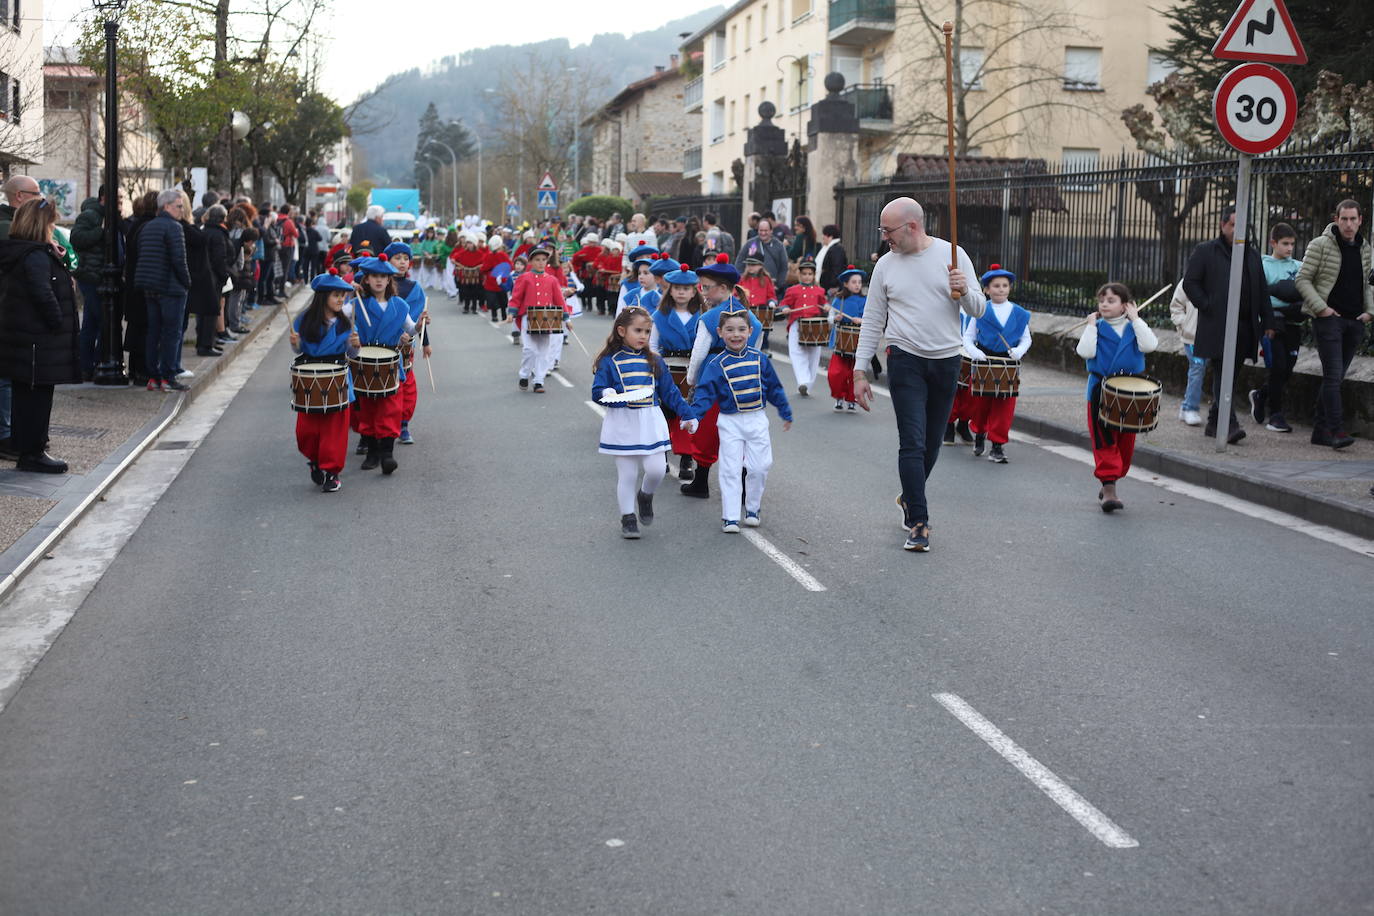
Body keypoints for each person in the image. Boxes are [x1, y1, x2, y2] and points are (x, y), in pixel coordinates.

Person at [852, 197, 985, 552]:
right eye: (882, 230)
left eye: (888, 230)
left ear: (912, 226)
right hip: (904, 359)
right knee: (911, 440)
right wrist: (859, 370)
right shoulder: (885, 266)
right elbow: (873, 320)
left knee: (930, 443)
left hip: (945, 361)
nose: (884, 238)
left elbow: (979, 308)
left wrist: (964, 290)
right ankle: (920, 522)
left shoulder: (952, 255)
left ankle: (909, 495)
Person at [592, 307, 699, 539]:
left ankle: (646, 495)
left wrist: (688, 414)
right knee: (627, 475)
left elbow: (670, 393)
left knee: (657, 470)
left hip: (650, 421)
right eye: (637, 330)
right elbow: (597, 392)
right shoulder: (608, 361)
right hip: (623, 423)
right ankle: (628, 517)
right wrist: (607, 393)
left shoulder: (655, 361)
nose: (643, 336)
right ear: (621, 331)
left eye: (647, 331)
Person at [690, 310, 792, 532]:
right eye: (729, 330)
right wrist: (694, 417)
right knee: (730, 468)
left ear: (750, 331)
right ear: (720, 332)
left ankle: (753, 507)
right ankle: (731, 516)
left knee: (760, 466)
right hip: (729, 421)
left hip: (756, 419)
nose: (736, 335)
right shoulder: (716, 364)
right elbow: (704, 393)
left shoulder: (760, 359)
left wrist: (785, 411)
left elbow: (774, 387)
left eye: (741, 329)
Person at [0, 197, 81, 473]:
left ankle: (27, 449)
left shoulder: (27, 252)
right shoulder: (34, 256)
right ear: (42, 224)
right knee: (36, 397)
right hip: (37, 340)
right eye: (51, 222)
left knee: (26, 395)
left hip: (27, 339)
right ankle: (33, 451)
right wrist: (57, 320)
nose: (54, 227)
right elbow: (42, 293)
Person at [1182, 204, 1273, 445]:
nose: (1236, 230)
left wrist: (1269, 322)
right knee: (1223, 373)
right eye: (1233, 225)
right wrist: (1208, 304)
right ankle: (1229, 424)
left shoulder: (1252, 255)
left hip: (1245, 327)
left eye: (1241, 225)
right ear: (1223, 225)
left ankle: (1214, 422)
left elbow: (1262, 291)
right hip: (1217, 326)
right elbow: (1190, 283)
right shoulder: (1206, 251)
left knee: (1232, 375)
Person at [682, 254, 765, 499]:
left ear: (724, 288)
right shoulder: (752, 319)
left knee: (707, 430)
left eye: (706, 287)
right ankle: (741, 489)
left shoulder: (709, 318)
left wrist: (693, 381)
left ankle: (701, 482)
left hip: (713, 378)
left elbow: (698, 355)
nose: (703, 292)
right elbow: (756, 351)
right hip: (742, 382)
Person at [1295, 199, 1373, 450]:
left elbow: (1367, 283)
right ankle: (1337, 430)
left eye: (1353, 219)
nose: (1349, 225)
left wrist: (1370, 312)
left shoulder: (1365, 248)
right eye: (1344, 219)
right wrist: (1322, 309)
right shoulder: (1320, 245)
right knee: (1332, 376)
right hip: (1329, 320)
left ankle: (1320, 430)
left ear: (1360, 220)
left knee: (1336, 378)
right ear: (1336, 219)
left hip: (1355, 321)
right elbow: (1302, 279)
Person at [1076, 283, 1159, 512]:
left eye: (1111, 300)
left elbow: (1150, 345)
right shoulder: (1096, 327)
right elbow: (1085, 352)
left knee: (1125, 444)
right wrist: (1091, 326)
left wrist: (1136, 320)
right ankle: (1109, 489)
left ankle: (1111, 479)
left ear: (1125, 305)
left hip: (1131, 391)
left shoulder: (1134, 327)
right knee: (1104, 440)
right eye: (1101, 300)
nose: (1104, 304)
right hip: (1100, 390)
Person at [289, 271, 361, 492]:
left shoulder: (346, 322)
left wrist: (356, 345)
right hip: (310, 380)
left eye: (343, 295)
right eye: (336, 295)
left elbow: (354, 355)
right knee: (306, 432)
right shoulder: (303, 319)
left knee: (334, 431)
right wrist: (296, 344)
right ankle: (314, 460)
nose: (341, 299)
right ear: (322, 296)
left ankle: (332, 472)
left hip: (337, 379)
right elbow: (298, 350)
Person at [349, 256, 415, 474]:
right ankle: (372, 452)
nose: (379, 281)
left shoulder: (400, 305)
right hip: (363, 363)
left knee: (390, 408)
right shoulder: (356, 304)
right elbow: (337, 317)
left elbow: (411, 328)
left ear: (389, 280)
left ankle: (387, 454)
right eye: (374, 276)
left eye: (383, 277)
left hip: (390, 364)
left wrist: (417, 328)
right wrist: (348, 291)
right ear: (366, 280)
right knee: (367, 409)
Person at [962, 265, 1031, 463]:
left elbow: (1027, 338)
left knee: (1005, 406)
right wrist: (975, 352)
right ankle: (979, 434)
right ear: (986, 289)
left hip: (1008, 363)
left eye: (1004, 285)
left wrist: (1019, 351)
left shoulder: (1019, 313)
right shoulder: (980, 310)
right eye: (996, 286)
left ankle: (998, 445)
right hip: (985, 361)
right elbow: (968, 337)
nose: (1000, 289)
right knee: (981, 405)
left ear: (1009, 288)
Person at [134, 189, 193, 392]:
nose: (181, 210)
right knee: (171, 333)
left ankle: (153, 377)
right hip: (171, 287)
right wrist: (187, 282)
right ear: (166, 206)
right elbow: (179, 259)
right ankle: (168, 376)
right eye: (178, 206)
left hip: (150, 286)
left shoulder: (147, 227)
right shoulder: (174, 227)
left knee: (154, 331)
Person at [650, 266, 703, 481]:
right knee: (663, 415)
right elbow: (652, 345)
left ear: (693, 291)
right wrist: (655, 368)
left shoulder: (703, 316)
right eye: (677, 288)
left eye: (686, 288)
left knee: (688, 413)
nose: (681, 292)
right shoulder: (659, 316)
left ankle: (686, 458)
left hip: (692, 368)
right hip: (666, 368)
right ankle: (661, 454)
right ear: (670, 290)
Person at [1252, 222, 1304, 433]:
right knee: (1277, 367)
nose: (1289, 248)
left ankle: (1261, 395)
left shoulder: (1298, 267)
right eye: (1285, 244)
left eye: (1292, 244)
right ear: (1273, 243)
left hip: (1293, 322)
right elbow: (1259, 295)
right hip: (1272, 323)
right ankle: (1276, 415)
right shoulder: (1263, 266)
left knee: (1288, 369)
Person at [69, 185, 125, 381]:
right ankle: (92, 365)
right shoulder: (91, 216)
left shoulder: (114, 217)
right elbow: (76, 239)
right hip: (93, 277)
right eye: (117, 198)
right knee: (103, 323)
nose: (120, 202)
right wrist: (101, 232)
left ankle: (87, 366)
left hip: (105, 277)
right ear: (104, 198)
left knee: (93, 324)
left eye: (121, 199)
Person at [384, 241, 430, 445]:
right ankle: (371, 432)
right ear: (387, 261)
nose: (402, 263)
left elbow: (418, 319)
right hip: (380, 344)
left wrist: (425, 342)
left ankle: (403, 424)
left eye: (405, 259)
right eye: (397, 258)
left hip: (405, 345)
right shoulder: (380, 284)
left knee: (406, 386)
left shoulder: (414, 288)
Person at [509, 247, 566, 393]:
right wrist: (512, 312)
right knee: (529, 349)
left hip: (547, 317)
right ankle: (524, 374)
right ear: (531, 262)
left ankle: (538, 381)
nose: (541, 263)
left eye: (543, 260)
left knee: (544, 351)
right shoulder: (524, 277)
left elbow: (559, 300)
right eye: (537, 260)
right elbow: (516, 297)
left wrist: (566, 317)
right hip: (528, 316)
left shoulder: (552, 280)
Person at [776, 256, 828, 396]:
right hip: (796, 325)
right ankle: (803, 382)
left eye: (810, 274)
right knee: (797, 353)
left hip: (815, 326)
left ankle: (808, 384)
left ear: (813, 275)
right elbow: (784, 303)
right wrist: (785, 308)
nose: (807, 277)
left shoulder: (819, 291)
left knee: (813, 355)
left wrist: (827, 307)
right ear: (799, 274)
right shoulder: (792, 290)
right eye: (804, 274)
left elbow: (824, 304)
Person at [182, 192, 222, 358]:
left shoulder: (194, 227)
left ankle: (206, 342)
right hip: (201, 274)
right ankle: (205, 344)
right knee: (208, 310)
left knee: (206, 311)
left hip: (201, 273)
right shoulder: (190, 228)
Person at [826, 266, 867, 411]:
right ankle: (838, 397)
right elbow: (830, 318)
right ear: (846, 284)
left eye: (859, 282)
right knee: (836, 373)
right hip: (841, 343)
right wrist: (835, 318)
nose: (857, 285)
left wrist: (862, 320)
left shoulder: (866, 300)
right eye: (854, 282)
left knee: (853, 373)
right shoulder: (839, 300)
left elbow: (873, 319)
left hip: (858, 343)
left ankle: (851, 400)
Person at [1166, 281, 1204, 427]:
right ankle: (1190, 408)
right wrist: (1185, 325)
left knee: (1200, 369)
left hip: (1212, 335)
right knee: (1197, 367)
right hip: (1192, 337)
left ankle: (1187, 406)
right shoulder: (1190, 279)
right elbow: (1176, 305)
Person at [735, 218, 788, 296]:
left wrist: (778, 285)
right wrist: (741, 283)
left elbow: (784, 267)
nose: (763, 233)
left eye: (766, 231)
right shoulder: (749, 243)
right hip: (750, 287)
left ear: (771, 231)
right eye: (761, 230)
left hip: (772, 286)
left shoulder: (779, 246)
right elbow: (739, 264)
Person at [481, 234, 513, 323]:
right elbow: (510, 266)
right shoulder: (504, 255)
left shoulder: (489, 256)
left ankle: (494, 316)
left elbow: (484, 268)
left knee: (493, 300)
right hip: (501, 282)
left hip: (491, 281)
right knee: (502, 300)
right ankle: (503, 315)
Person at [816, 224, 847, 293]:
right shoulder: (829, 248)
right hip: (826, 286)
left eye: (824, 234)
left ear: (830, 236)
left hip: (832, 288)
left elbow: (837, 268)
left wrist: (834, 285)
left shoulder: (836, 249)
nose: (822, 237)